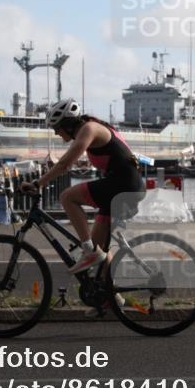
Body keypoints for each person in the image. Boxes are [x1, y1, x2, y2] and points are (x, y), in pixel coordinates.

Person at [24, 98, 145, 275]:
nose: (57, 134)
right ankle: (110, 298)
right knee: (100, 250)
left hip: (123, 186)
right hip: (126, 187)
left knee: (67, 197)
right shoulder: (90, 128)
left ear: (67, 124)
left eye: (57, 129)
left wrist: (38, 183)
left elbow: (65, 164)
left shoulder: (89, 129)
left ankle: (88, 251)